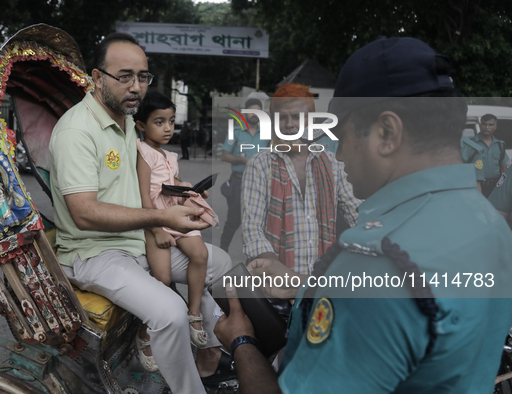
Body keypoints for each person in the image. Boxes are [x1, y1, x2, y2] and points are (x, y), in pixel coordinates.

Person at [214, 37, 512, 393]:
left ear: (386, 133)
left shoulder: (374, 261)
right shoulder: (490, 221)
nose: (339, 152)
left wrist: (242, 341)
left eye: (342, 135)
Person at [49, 32, 233, 393]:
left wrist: (180, 197)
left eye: (143, 76)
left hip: (137, 241)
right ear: (97, 78)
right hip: (95, 253)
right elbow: (84, 213)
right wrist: (162, 219)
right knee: (169, 313)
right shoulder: (76, 131)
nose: (136, 87)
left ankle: (210, 353)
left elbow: (140, 187)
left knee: (220, 263)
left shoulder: (126, 121)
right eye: (125, 76)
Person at [242, 84, 360, 276]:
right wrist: (277, 272)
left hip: (323, 278)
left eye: (297, 117)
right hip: (276, 282)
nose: (289, 125)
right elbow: (252, 228)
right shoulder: (260, 164)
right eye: (283, 118)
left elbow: (356, 213)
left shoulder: (332, 162)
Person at [134, 91, 219, 352]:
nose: (168, 128)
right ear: (141, 126)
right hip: (156, 221)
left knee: (200, 254)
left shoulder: (171, 156)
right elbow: (143, 196)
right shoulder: (143, 153)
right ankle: (144, 331)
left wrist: (190, 192)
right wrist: (157, 229)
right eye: (159, 122)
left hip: (178, 217)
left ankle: (193, 313)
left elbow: (175, 189)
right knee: (162, 276)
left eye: (171, 121)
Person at [220, 98, 269, 252]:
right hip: (239, 181)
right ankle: (223, 250)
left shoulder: (268, 133)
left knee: (261, 221)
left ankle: (257, 255)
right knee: (234, 219)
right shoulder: (235, 132)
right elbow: (224, 155)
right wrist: (242, 160)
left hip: (261, 183)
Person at [468, 114, 509, 197]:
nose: (487, 127)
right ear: (480, 125)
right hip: (475, 185)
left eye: (490, 125)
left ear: (495, 127)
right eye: (484, 124)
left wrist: (502, 187)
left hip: (495, 186)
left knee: (494, 209)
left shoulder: (500, 145)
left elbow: (504, 167)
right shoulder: (470, 143)